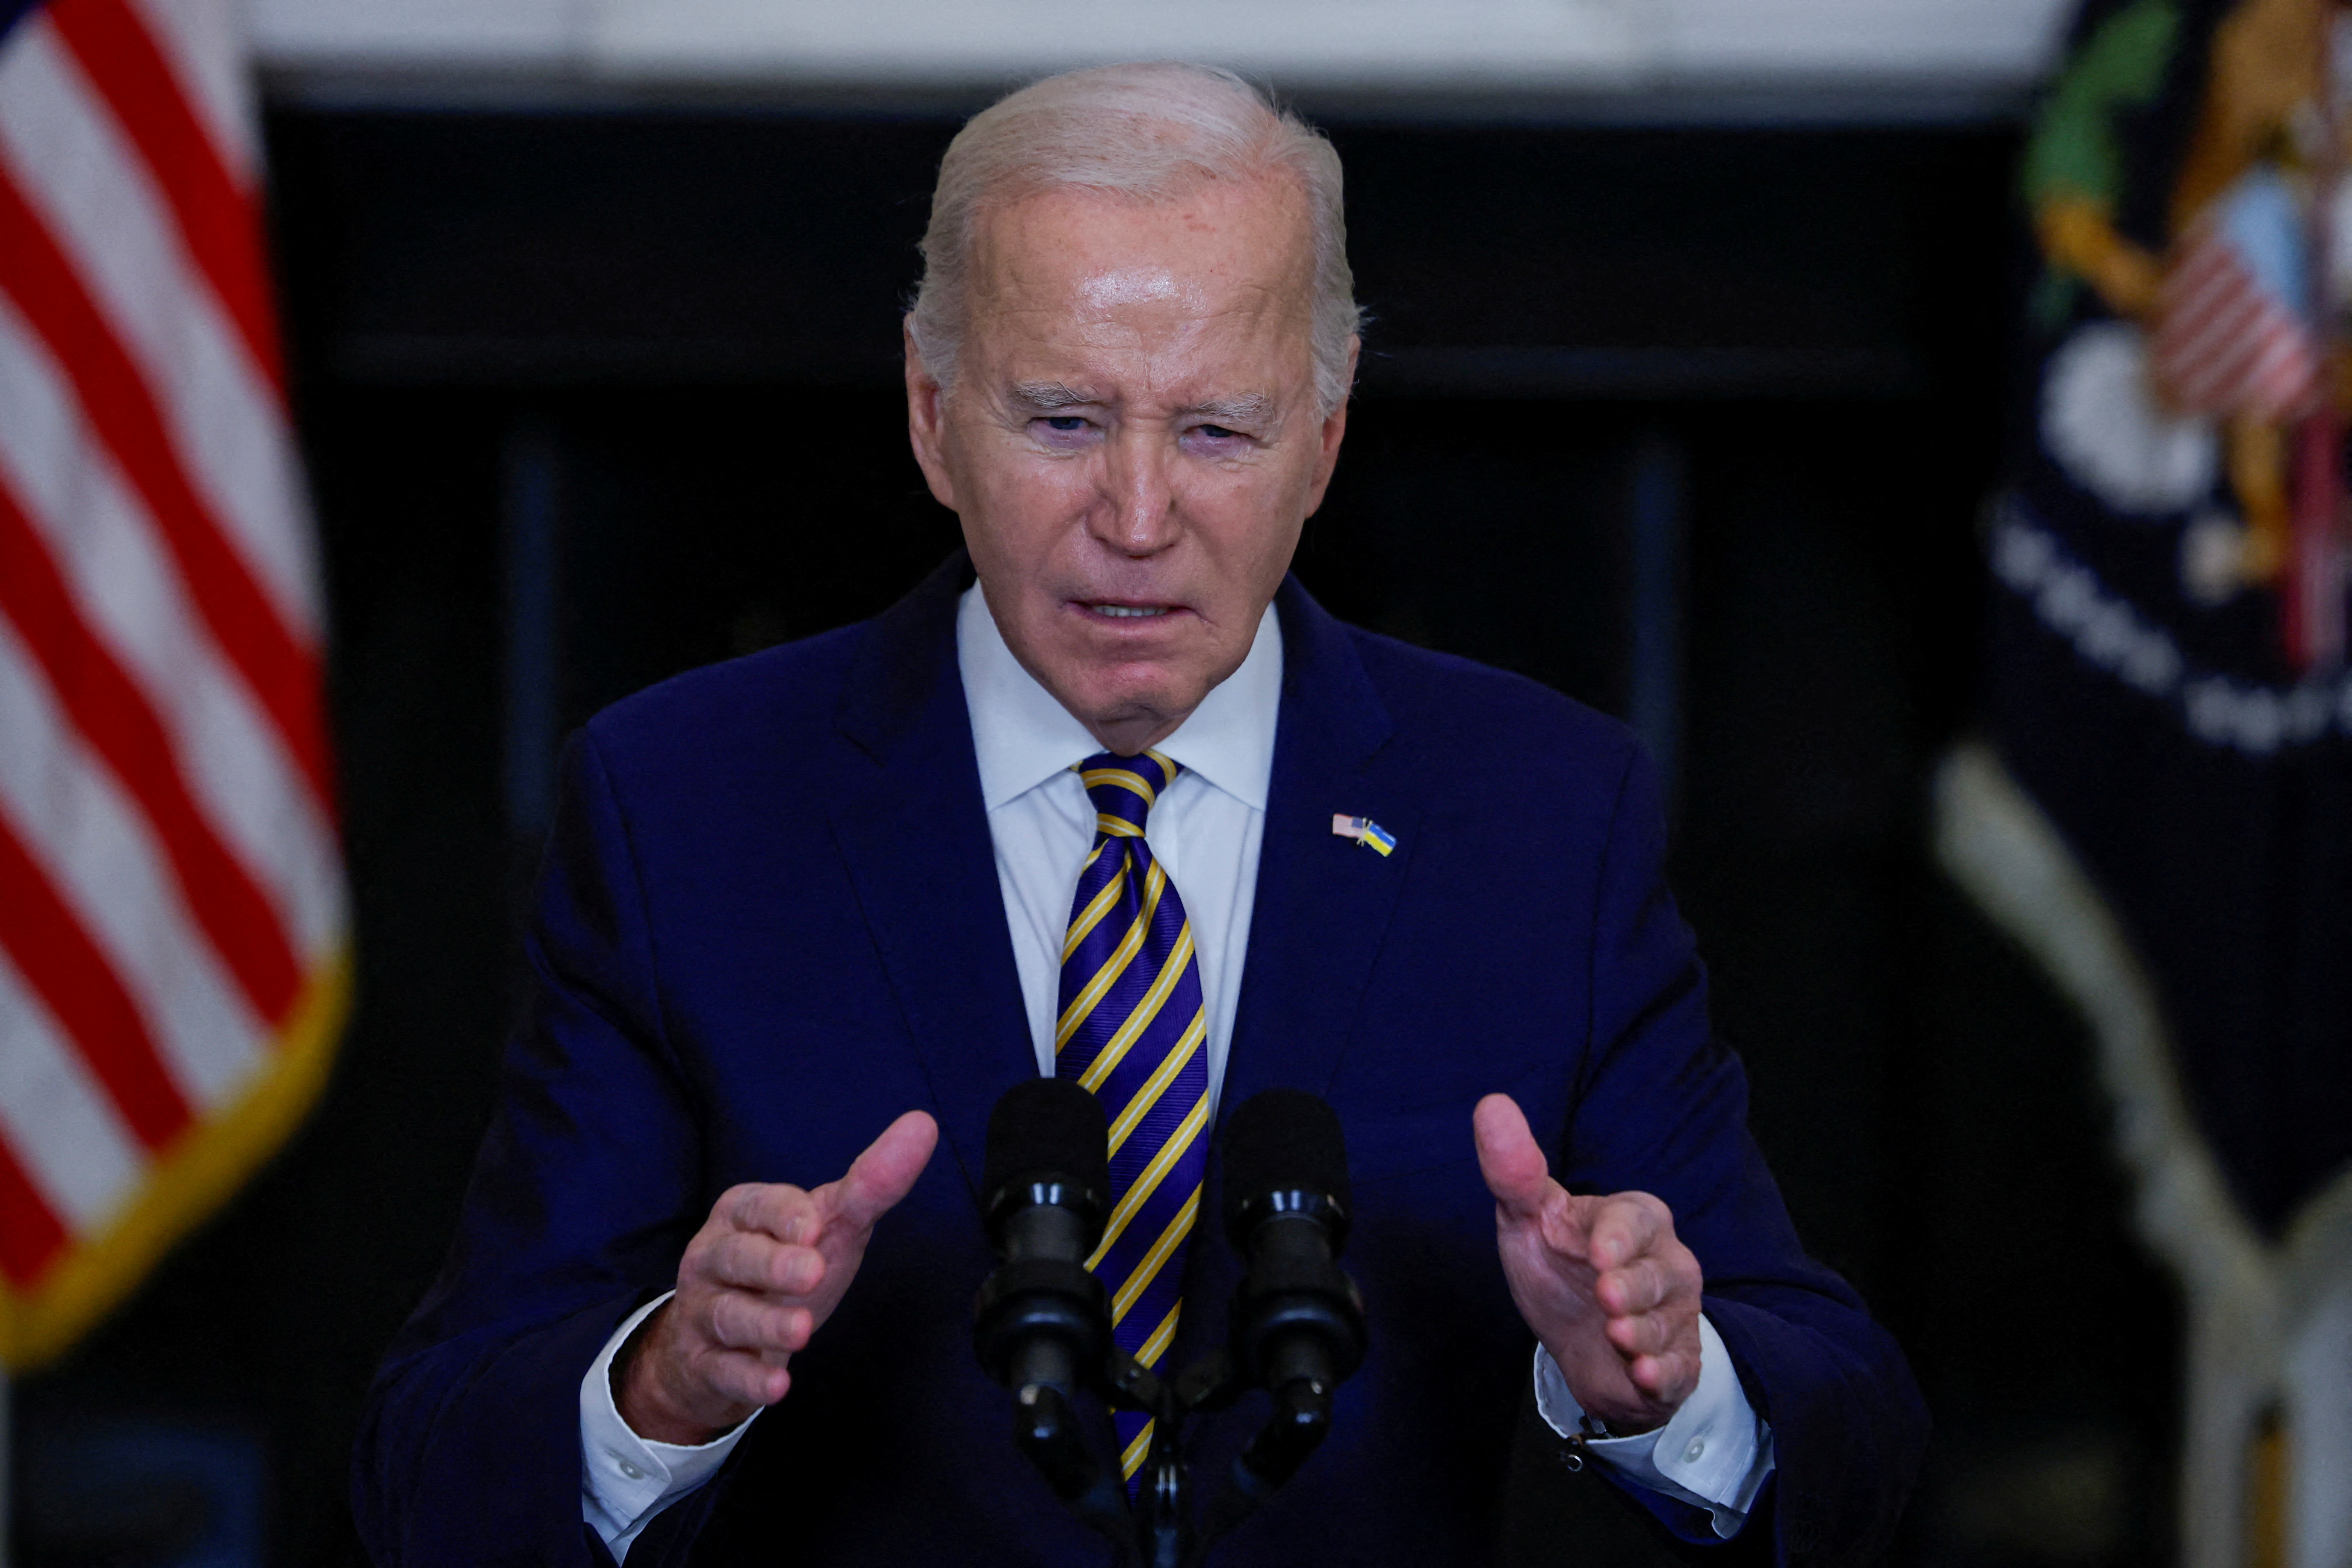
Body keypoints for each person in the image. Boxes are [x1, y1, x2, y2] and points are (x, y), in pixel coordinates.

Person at [352, 63, 1925, 1567]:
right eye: (1060, 421)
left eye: (1217, 430)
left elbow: (1849, 1428)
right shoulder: (679, 801)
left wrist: (1664, 1378)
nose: (1136, 516)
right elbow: (424, 1472)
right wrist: (663, 1387)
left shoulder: (1538, 811)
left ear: (1324, 434)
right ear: (929, 412)